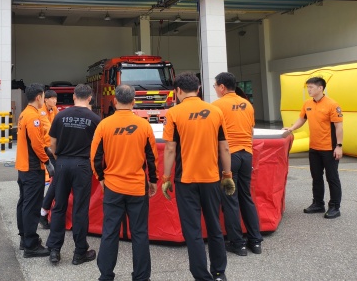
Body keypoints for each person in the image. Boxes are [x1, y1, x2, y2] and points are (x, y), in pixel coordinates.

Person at [161, 72, 235, 281]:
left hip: (186, 181)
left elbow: (170, 149)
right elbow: (224, 147)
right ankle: (219, 273)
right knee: (214, 226)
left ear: (178, 91)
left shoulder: (174, 113)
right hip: (211, 179)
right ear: (198, 89)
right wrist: (227, 175)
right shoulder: (215, 111)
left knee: (192, 231)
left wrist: (166, 178)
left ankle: (201, 276)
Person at [91, 85, 159, 281]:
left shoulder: (104, 125)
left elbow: (95, 157)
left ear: (114, 101)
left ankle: (106, 276)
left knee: (110, 232)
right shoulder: (143, 125)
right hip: (137, 187)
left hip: (113, 187)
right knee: (139, 233)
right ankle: (141, 277)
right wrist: (153, 180)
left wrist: (101, 178)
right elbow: (152, 157)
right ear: (133, 102)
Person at [46, 84, 101, 265]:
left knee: (59, 206)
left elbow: (52, 144)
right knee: (80, 209)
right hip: (82, 165)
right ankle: (79, 252)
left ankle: (54, 250)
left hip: (62, 163)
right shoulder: (95, 119)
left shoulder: (60, 115)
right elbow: (99, 147)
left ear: (74, 96)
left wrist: (59, 159)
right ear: (90, 98)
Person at [213, 72, 263, 256]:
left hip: (229, 156)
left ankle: (237, 243)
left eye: (215, 86)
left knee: (230, 200)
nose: (215, 89)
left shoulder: (217, 106)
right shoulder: (247, 104)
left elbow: (213, 134)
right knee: (246, 197)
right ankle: (255, 241)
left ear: (222, 87)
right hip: (246, 154)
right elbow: (251, 131)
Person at [282, 77, 344, 219]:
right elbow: (302, 119)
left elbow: (339, 127)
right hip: (314, 148)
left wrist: (339, 146)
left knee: (332, 178)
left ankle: (335, 207)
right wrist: (291, 128)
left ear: (320, 88)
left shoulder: (332, 105)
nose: (308, 90)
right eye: (307, 87)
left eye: (311, 87)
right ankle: (318, 204)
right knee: (316, 177)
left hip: (329, 148)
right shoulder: (307, 104)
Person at [16, 83, 56, 257]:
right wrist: (47, 162)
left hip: (24, 166)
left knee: (24, 203)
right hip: (32, 167)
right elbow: (37, 144)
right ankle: (31, 245)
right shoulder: (33, 116)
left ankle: (25, 238)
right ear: (39, 97)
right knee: (32, 206)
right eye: (44, 96)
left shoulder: (25, 113)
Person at [39, 90, 59, 229]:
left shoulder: (54, 109)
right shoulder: (41, 112)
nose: (55, 101)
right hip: (47, 149)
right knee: (56, 180)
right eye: (52, 99)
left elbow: (59, 122)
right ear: (45, 99)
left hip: (53, 148)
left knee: (56, 180)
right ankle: (43, 211)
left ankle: (45, 209)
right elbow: (49, 129)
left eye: (56, 99)